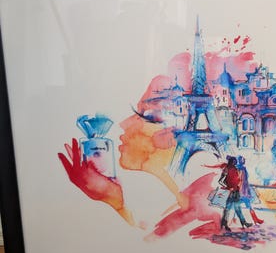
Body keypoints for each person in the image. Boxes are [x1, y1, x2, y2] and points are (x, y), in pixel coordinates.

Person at [58, 74, 221, 240]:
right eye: (139, 111)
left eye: (149, 116)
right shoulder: (151, 192)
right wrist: (113, 199)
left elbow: (145, 240)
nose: (125, 125)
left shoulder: (187, 199)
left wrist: (113, 200)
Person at [219, 156, 252, 231]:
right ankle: (225, 223)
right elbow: (220, 181)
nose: (235, 162)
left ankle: (243, 222)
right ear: (231, 162)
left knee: (237, 208)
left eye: (235, 161)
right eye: (234, 161)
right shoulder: (226, 169)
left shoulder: (235, 169)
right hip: (231, 192)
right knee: (228, 208)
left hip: (236, 191)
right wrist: (228, 187)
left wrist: (238, 186)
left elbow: (238, 179)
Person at [237, 156, 263, 225]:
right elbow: (240, 179)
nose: (244, 160)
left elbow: (244, 179)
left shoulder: (242, 168)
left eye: (244, 159)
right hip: (242, 190)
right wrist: (241, 189)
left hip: (244, 189)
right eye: (243, 159)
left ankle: (255, 219)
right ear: (240, 161)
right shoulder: (240, 168)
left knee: (246, 205)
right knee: (240, 205)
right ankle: (255, 220)